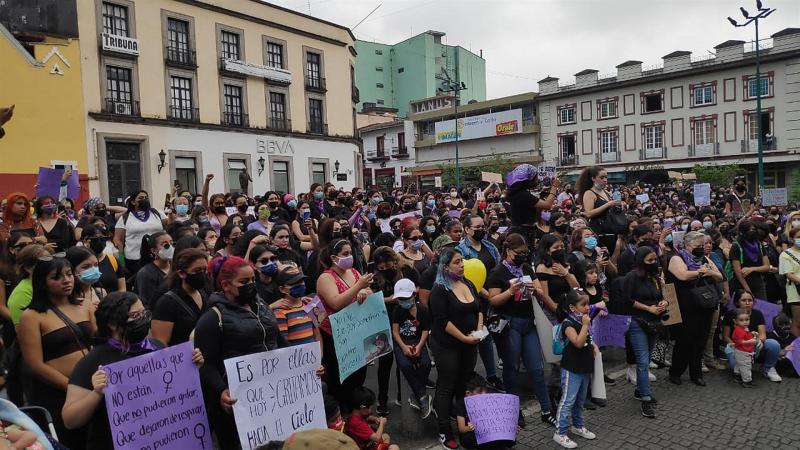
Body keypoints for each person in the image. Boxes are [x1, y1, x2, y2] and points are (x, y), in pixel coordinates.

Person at [62, 291, 204, 450]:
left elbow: (172, 393)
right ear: (112, 323)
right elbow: (70, 420)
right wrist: (96, 393)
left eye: (144, 313)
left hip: (162, 439)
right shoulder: (93, 361)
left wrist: (190, 368)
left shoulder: (157, 346)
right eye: (135, 316)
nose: (143, 319)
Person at [194, 256, 285, 449]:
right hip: (239, 401)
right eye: (244, 282)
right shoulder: (212, 318)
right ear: (226, 285)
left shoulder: (262, 306)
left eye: (252, 279)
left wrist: (304, 367)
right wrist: (221, 390)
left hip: (272, 393)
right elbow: (206, 364)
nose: (251, 285)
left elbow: (278, 341)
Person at [18, 256, 94, 449]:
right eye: (57, 277)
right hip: (57, 394)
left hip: (92, 388)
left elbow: (98, 343)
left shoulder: (84, 305)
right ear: (42, 282)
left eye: (69, 274)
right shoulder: (31, 316)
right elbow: (35, 364)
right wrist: (71, 386)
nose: (66, 280)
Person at [485, 233, 556, 427]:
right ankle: (514, 411)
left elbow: (540, 291)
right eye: (519, 253)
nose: (523, 256)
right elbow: (492, 300)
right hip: (510, 324)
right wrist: (510, 292)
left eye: (526, 253)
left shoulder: (525, 267)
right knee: (511, 369)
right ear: (508, 251)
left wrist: (535, 290)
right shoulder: (498, 272)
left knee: (537, 369)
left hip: (528, 322)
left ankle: (547, 409)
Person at [428, 248, 482, 450]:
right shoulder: (439, 290)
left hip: (469, 342)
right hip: (447, 345)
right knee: (447, 386)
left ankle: (463, 425)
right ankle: (444, 430)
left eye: (462, 261)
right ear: (445, 266)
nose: (462, 265)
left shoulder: (467, 282)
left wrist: (477, 331)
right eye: (457, 262)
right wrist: (464, 339)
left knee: (464, 384)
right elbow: (442, 321)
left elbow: (478, 310)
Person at [316, 239, 374, 407]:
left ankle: (356, 408)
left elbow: (368, 291)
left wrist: (364, 290)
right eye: (345, 254)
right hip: (335, 336)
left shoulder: (354, 272)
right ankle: (341, 412)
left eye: (351, 253)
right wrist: (359, 287)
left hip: (356, 331)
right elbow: (335, 303)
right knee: (340, 377)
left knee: (358, 373)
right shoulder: (326, 277)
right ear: (334, 258)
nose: (350, 257)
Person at [666, 231, 723, 386]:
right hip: (685, 304)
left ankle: (696, 374)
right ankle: (676, 371)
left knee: (700, 339)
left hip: (704, 304)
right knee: (684, 339)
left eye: (703, 245)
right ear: (687, 244)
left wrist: (708, 271)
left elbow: (719, 276)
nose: (701, 248)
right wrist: (701, 272)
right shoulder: (676, 257)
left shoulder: (705, 259)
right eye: (698, 245)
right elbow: (683, 275)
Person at [621, 247, 667, 418]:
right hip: (637, 322)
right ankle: (645, 399)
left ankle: (640, 390)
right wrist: (648, 308)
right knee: (642, 360)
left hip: (653, 323)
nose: (653, 263)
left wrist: (663, 304)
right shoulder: (631, 277)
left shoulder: (654, 277)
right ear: (641, 261)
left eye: (655, 259)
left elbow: (661, 296)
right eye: (649, 260)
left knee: (646, 360)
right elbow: (627, 300)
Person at [553, 289, 598, 449]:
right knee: (568, 400)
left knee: (580, 400)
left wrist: (593, 345)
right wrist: (586, 325)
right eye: (583, 304)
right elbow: (578, 342)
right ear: (572, 308)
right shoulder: (568, 323)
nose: (587, 307)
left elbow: (587, 339)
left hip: (584, 366)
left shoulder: (582, 320)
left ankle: (578, 426)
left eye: (588, 303)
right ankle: (560, 432)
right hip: (572, 368)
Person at [390, 278, 433, 419]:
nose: (403, 301)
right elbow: (395, 332)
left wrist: (420, 346)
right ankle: (422, 397)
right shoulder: (397, 310)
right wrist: (403, 347)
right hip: (402, 342)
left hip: (418, 341)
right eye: (400, 298)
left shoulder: (423, 309)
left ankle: (416, 395)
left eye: (406, 298)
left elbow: (426, 330)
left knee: (426, 364)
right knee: (405, 365)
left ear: (414, 295)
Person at [721, 290, 782, 383]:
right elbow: (725, 336)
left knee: (774, 344)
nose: (747, 303)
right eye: (744, 300)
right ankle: (744, 367)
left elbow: (762, 335)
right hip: (737, 346)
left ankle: (768, 368)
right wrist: (735, 345)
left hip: (753, 345)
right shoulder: (730, 314)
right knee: (736, 367)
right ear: (737, 302)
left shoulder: (758, 313)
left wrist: (755, 342)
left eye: (750, 300)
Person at [151, 248, 209, 346]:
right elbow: (160, 344)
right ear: (182, 273)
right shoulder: (166, 303)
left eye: (204, 270)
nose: (202, 274)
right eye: (197, 270)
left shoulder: (204, 293)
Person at [505, 164, 559, 252]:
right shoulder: (522, 194)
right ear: (529, 179)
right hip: (522, 232)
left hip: (525, 230)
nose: (537, 180)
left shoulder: (518, 193)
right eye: (536, 177)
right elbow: (547, 205)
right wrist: (554, 187)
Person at [113, 190, 164, 277]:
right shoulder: (125, 218)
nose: (144, 199)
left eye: (146, 198)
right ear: (133, 202)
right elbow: (118, 240)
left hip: (157, 256)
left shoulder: (157, 213)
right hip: (134, 259)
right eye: (141, 198)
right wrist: (121, 261)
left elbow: (169, 225)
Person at [576, 166, 623, 251]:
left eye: (606, 177)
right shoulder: (589, 193)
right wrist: (609, 204)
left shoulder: (605, 192)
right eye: (601, 177)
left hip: (610, 230)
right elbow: (589, 213)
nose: (605, 180)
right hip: (599, 232)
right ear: (593, 178)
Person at [272, 267, 320, 346]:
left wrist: (320, 355)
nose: (300, 284)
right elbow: (284, 343)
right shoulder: (280, 313)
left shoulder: (309, 305)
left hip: (314, 355)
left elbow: (317, 334)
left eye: (301, 281)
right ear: (282, 289)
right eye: (294, 283)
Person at [729, 220, 770, 299]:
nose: (752, 231)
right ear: (741, 232)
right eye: (749, 229)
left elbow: (767, 266)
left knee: (761, 309)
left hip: (758, 284)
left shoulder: (759, 245)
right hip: (741, 285)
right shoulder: (736, 246)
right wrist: (748, 291)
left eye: (754, 229)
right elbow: (738, 272)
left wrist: (752, 269)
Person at [80, 224, 125, 292]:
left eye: (102, 238)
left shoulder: (112, 260)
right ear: (85, 240)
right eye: (95, 239)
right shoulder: (80, 262)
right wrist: (87, 252)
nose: (99, 241)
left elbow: (122, 288)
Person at [133, 231, 173, 308]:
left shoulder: (176, 266)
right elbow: (147, 303)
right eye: (165, 245)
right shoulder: (146, 273)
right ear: (154, 251)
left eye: (172, 243)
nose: (170, 247)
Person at [65, 247, 105, 312]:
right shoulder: (64, 298)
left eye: (96, 265)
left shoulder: (101, 292)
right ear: (71, 270)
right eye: (86, 267)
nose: (94, 270)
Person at [778, 226, 800, 336]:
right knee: (797, 321)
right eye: (798, 237)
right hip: (795, 291)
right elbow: (788, 274)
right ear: (791, 239)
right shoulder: (785, 254)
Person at [730, 308, 758, 387]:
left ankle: (737, 376)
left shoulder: (742, 328)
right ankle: (747, 381)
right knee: (746, 366)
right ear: (735, 321)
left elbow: (746, 335)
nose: (745, 322)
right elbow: (740, 341)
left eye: (747, 319)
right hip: (743, 351)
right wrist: (751, 341)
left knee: (739, 364)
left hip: (741, 351)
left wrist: (752, 333)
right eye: (741, 320)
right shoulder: (739, 330)